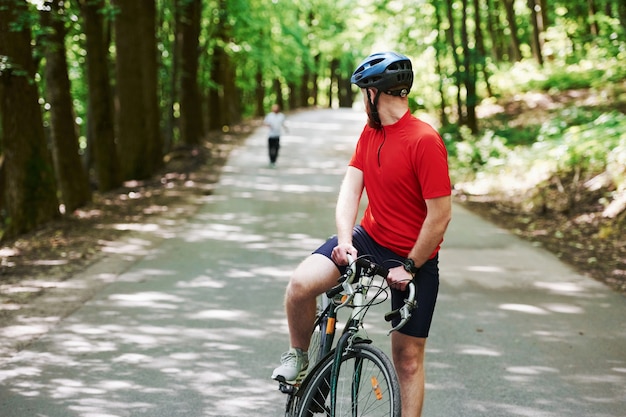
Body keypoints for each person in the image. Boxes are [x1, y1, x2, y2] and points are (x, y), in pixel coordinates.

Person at [271, 51, 452, 417]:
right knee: (300, 285)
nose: (361, 100)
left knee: (408, 359)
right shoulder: (371, 133)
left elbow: (440, 216)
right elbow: (351, 190)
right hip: (368, 238)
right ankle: (300, 357)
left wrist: (411, 265)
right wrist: (344, 241)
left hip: (413, 256)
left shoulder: (424, 140)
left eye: (363, 92)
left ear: (375, 92)